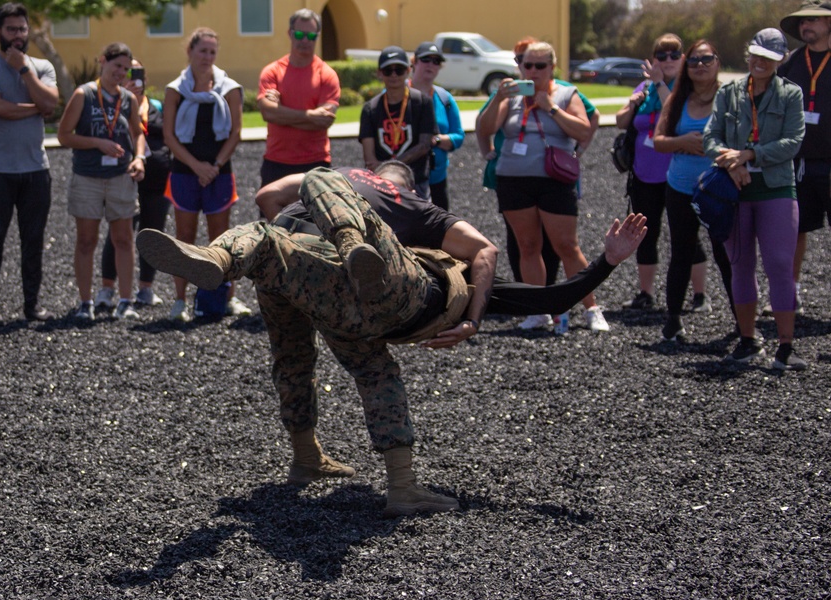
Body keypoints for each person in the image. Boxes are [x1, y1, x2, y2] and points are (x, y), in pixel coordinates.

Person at [137, 165, 647, 517]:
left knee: (277, 266)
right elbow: (521, 276)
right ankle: (399, 487)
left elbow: (269, 196)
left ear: (381, 177)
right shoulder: (417, 206)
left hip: (319, 275)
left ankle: (222, 261)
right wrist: (605, 263)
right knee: (372, 369)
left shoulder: (356, 186)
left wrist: (324, 187)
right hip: (363, 300)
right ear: (404, 184)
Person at [477, 41, 608, 332]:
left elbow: (584, 130)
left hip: (554, 180)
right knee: (528, 245)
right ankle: (538, 311)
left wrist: (551, 110)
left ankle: (591, 309)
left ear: (552, 67)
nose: (533, 71)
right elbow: (486, 128)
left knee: (566, 246)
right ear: (520, 66)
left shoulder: (564, 93)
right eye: (528, 65)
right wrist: (498, 98)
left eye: (540, 66)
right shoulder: (511, 96)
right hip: (513, 179)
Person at [704, 29, 806, 370]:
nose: (759, 62)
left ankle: (785, 347)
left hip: (776, 189)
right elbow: (710, 138)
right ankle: (747, 341)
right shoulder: (730, 92)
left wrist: (748, 155)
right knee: (740, 265)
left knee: (779, 264)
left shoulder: (790, 94)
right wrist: (731, 164)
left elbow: (792, 142)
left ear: (781, 60)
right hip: (735, 191)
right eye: (755, 54)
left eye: (768, 57)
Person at [0, 2, 59, 325]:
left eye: (22, 29)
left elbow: (50, 102)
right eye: (11, 30)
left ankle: (31, 306)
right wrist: (36, 108)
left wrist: (24, 69)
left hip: (36, 169)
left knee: (33, 239)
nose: (18, 36)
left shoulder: (42, 66)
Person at [615, 33, 710, 312]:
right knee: (646, 232)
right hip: (645, 174)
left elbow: (674, 116)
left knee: (686, 234)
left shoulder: (687, 89)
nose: (667, 60)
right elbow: (621, 121)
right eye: (661, 55)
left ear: (683, 59)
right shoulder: (644, 87)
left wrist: (658, 83)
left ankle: (700, 295)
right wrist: (634, 102)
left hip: (678, 175)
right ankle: (645, 293)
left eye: (674, 55)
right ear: (653, 59)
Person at [653, 40, 736, 344]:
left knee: (727, 255)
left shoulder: (730, 98)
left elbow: (743, 139)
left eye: (707, 59)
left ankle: (743, 322)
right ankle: (673, 320)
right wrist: (683, 142)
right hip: (680, 187)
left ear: (718, 63)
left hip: (718, 189)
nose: (700, 65)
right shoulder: (677, 99)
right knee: (681, 253)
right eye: (694, 61)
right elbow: (659, 140)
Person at [162, 27, 246, 322]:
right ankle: (180, 301)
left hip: (219, 173)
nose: (207, 57)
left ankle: (228, 297)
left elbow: (235, 132)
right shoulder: (175, 90)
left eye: (212, 51)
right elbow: (169, 136)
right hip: (185, 173)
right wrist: (197, 167)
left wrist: (214, 166)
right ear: (190, 51)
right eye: (202, 51)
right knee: (184, 238)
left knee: (221, 239)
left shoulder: (230, 88)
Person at [58, 42, 146, 322]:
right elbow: (64, 135)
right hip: (87, 177)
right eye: (116, 65)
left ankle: (125, 300)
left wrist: (139, 158)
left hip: (120, 177)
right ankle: (86, 303)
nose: (120, 72)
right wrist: (98, 143)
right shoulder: (84, 94)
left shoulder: (129, 99)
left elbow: (138, 133)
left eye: (125, 68)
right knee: (86, 241)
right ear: (102, 62)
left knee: (123, 239)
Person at [95, 58, 172, 312]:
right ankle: (107, 289)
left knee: (152, 235)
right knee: (118, 235)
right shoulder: (115, 106)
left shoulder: (157, 106)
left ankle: (146, 288)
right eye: (128, 72)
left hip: (158, 181)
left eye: (138, 73)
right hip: (125, 178)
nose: (134, 78)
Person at [778, 0, 831, 314]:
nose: (805, 26)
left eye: (812, 20)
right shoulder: (791, 64)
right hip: (797, 165)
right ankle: (789, 294)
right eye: (801, 22)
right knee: (793, 231)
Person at [257, 8, 340, 186]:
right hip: (276, 162)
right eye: (300, 34)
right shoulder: (272, 71)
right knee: (273, 215)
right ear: (290, 33)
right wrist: (309, 116)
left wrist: (282, 115)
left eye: (311, 36)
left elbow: (324, 120)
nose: (305, 40)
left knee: (313, 215)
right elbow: (268, 114)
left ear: (317, 36)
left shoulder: (327, 74)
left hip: (316, 164)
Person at [359, 46, 435, 199]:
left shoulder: (422, 102)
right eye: (388, 70)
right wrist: (386, 173)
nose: (394, 75)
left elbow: (424, 146)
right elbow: (369, 157)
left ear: (408, 70)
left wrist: (390, 167)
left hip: (416, 183)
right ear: (379, 73)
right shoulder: (370, 108)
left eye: (399, 70)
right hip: (380, 184)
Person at [408, 41, 463, 210]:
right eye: (426, 59)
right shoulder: (395, 95)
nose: (431, 65)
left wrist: (436, 140)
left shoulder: (444, 98)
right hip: (403, 177)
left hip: (436, 178)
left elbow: (458, 136)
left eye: (436, 61)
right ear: (415, 62)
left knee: (439, 229)